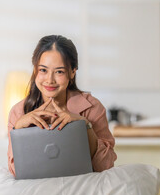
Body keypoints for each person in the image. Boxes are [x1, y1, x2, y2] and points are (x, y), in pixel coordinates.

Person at [7, 35, 117, 176]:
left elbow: (105, 165)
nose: (50, 80)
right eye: (43, 70)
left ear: (72, 72)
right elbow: (16, 172)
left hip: (83, 188)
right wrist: (18, 128)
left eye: (59, 71)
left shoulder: (92, 108)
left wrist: (85, 125)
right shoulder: (18, 112)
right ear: (35, 70)